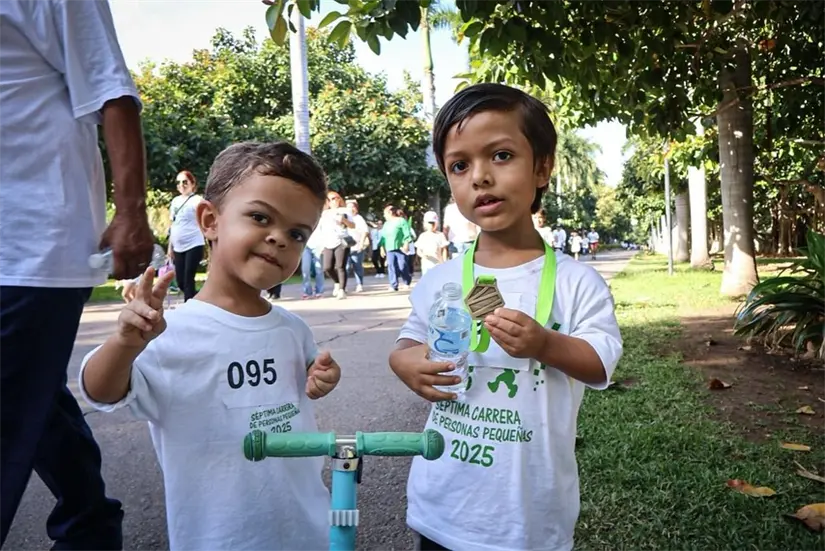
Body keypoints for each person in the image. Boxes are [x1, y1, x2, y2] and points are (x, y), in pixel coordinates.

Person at [388, 83, 622, 551]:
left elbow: (600, 362)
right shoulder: (443, 279)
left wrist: (545, 344)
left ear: (542, 168)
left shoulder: (577, 282)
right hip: (441, 504)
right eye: (459, 165)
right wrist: (403, 362)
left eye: (501, 156)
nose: (480, 177)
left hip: (527, 516)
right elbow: (409, 340)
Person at [79, 142, 342, 551]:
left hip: (306, 527)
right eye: (260, 217)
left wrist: (322, 375)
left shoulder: (293, 328)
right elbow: (99, 390)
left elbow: (308, 373)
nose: (279, 239)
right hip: (219, 536)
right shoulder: (169, 331)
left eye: (297, 234)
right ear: (210, 220)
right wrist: (125, 343)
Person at [0, 1, 156, 547]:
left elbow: (112, 92)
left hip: (32, 243)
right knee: (36, 398)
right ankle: (90, 524)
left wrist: (131, 211)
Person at [168, 170, 206, 301]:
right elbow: (173, 224)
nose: (181, 185)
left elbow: (206, 220)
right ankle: (200, 299)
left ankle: (189, 308)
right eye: (178, 182)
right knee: (181, 281)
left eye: (185, 182)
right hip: (178, 247)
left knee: (188, 278)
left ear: (192, 184)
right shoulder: (175, 201)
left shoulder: (197, 200)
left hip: (194, 244)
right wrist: (170, 248)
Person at [318, 191, 354, 299]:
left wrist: (344, 220)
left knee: (340, 266)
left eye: (336, 198)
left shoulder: (345, 211)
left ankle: (342, 290)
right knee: (327, 267)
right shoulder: (325, 213)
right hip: (328, 242)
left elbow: (352, 225)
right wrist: (321, 244)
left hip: (341, 241)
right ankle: (337, 283)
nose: (334, 201)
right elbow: (321, 229)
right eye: (331, 199)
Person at [381, 205, 414, 291]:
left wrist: (406, 243)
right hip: (389, 247)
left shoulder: (401, 221)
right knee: (391, 266)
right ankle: (393, 285)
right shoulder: (386, 224)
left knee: (402, 265)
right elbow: (383, 236)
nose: (384, 216)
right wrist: (382, 247)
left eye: (385, 213)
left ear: (390, 212)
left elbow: (407, 233)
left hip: (400, 247)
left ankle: (406, 281)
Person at [345, 199, 370, 293]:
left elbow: (365, 231)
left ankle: (359, 284)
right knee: (345, 267)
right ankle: (343, 285)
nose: (351, 209)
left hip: (356, 246)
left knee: (357, 266)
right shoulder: (344, 217)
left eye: (353, 207)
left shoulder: (359, 218)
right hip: (345, 246)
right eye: (349, 207)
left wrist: (361, 243)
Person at [415, 211, 448, 275]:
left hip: (438, 264)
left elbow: (444, 250)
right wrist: (423, 255)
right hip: (426, 264)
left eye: (433, 223)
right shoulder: (423, 236)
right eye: (429, 223)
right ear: (425, 224)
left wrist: (444, 262)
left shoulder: (440, 235)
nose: (431, 226)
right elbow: (419, 251)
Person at [301, 227, 325, 299]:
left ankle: (319, 291)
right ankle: (307, 291)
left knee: (319, 270)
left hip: (318, 246)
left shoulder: (320, 221)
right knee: (305, 270)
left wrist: (323, 246)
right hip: (305, 246)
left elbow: (325, 231)